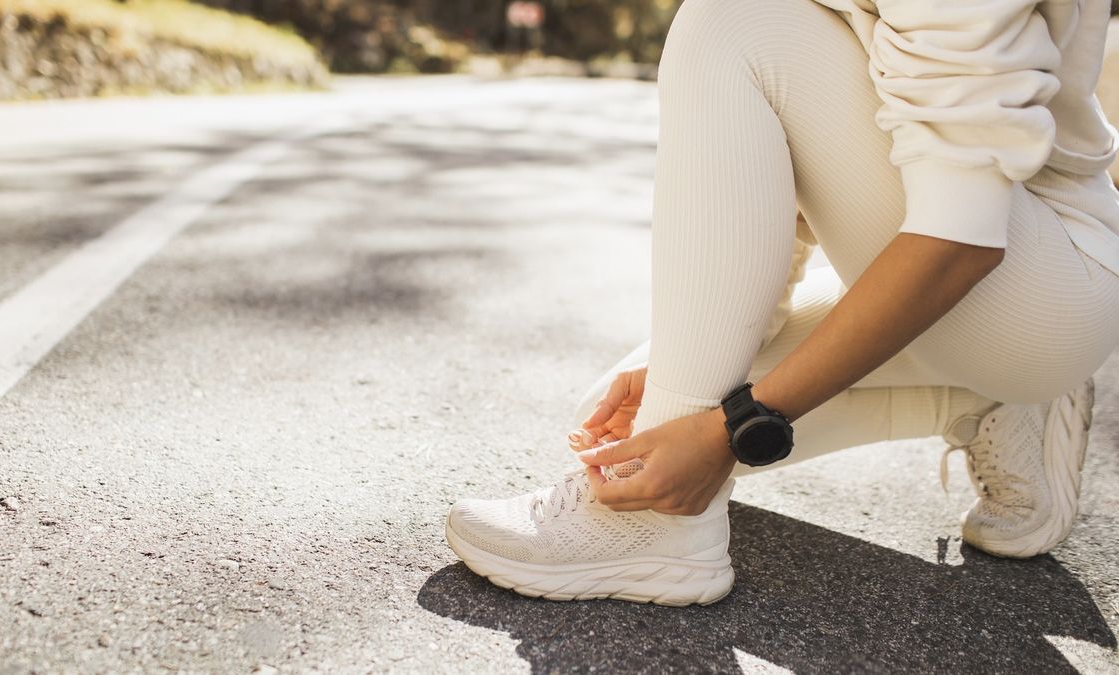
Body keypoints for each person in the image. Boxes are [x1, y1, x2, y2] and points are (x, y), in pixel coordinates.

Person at [444, 0, 1119, 606]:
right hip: (982, 279)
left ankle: (662, 533)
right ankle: (988, 402)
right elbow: (787, 156)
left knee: (729, 21)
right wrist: (705, 360)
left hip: (1040, 283)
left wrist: (730, 425)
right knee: (632, 436)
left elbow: (960, 240)